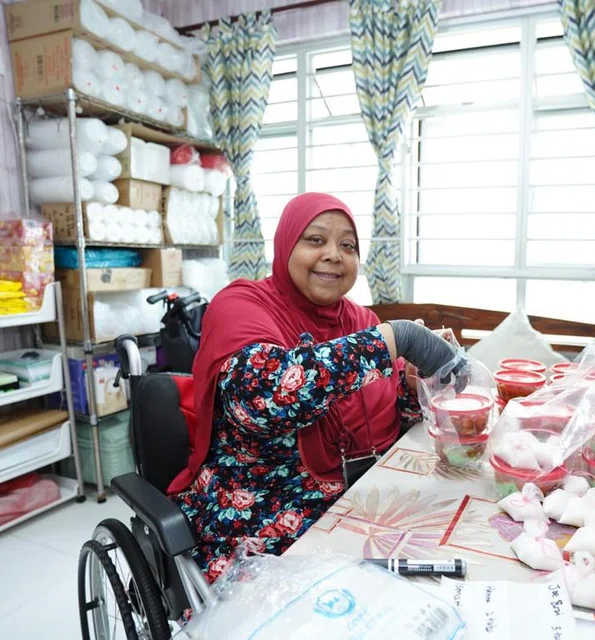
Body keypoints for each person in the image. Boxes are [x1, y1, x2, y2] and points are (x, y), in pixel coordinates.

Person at [168, 192, 468, 580]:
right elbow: (266, 400)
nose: (333, 254)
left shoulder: (361, 319)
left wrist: (412, 385)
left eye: (348, 245)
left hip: (353, 503)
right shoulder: (239, 305)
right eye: (315, 240)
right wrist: (399, 338)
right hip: (263, 519)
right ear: (286, 243)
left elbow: (390, 421)